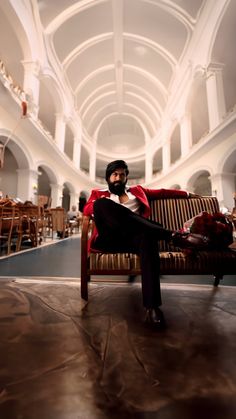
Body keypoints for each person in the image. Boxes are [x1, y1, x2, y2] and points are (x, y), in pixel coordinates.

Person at [83, 160, 199, 329]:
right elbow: (87, 210)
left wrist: (187, 194)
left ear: (126, 178)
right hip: (109, 240)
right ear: (108, 177)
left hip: (134, 238)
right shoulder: (98, 194)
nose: (118, 178)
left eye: (122, 175)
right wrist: (101, 204)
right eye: (115, 174)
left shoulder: (138, 191)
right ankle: (170, 235)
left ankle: (152, 308)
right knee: (100, 204)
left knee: (148, 238)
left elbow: (163, 192)